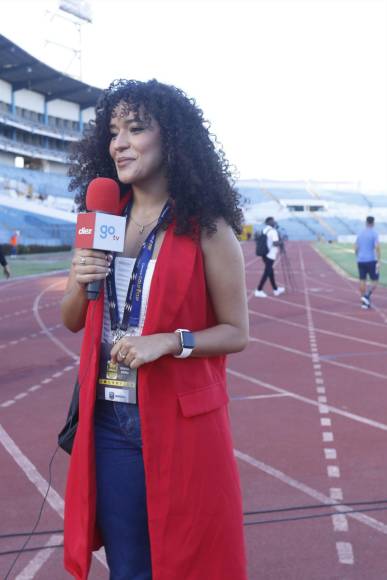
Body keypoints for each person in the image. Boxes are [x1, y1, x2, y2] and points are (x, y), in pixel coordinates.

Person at [61, 79, 249, 580]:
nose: (118, 143)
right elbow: (72, 318)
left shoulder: (207, 228)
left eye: (135, 129)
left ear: (173, 140)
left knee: (192, 561)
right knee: (130, 569)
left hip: (184, 421)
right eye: (113, 132)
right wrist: (80, 280)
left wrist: (170, 341)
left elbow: (236, 331)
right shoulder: (103, 219)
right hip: (112, 424)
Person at [254, 216, 285, 297]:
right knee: (267, 272)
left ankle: (275, 289)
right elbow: (275, 243)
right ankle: (259, 290)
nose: (274, 222)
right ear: (268, 222)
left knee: (270, 272)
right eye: (273, 221)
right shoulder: (273, 231)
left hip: (264, 253)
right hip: (270, 254)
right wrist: (281, 242)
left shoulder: (264, 230)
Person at [355, 215, 381, 309]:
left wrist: (357, 256)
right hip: (371, 260)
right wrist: (378, 260)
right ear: (373, 223)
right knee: (375, 280)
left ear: (366, 222)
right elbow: (377, 247)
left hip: (360, 260)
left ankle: (363, 302)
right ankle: (367, 296)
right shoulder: (374, 233)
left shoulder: (360, 233)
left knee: (362, 280)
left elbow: (356, 247)